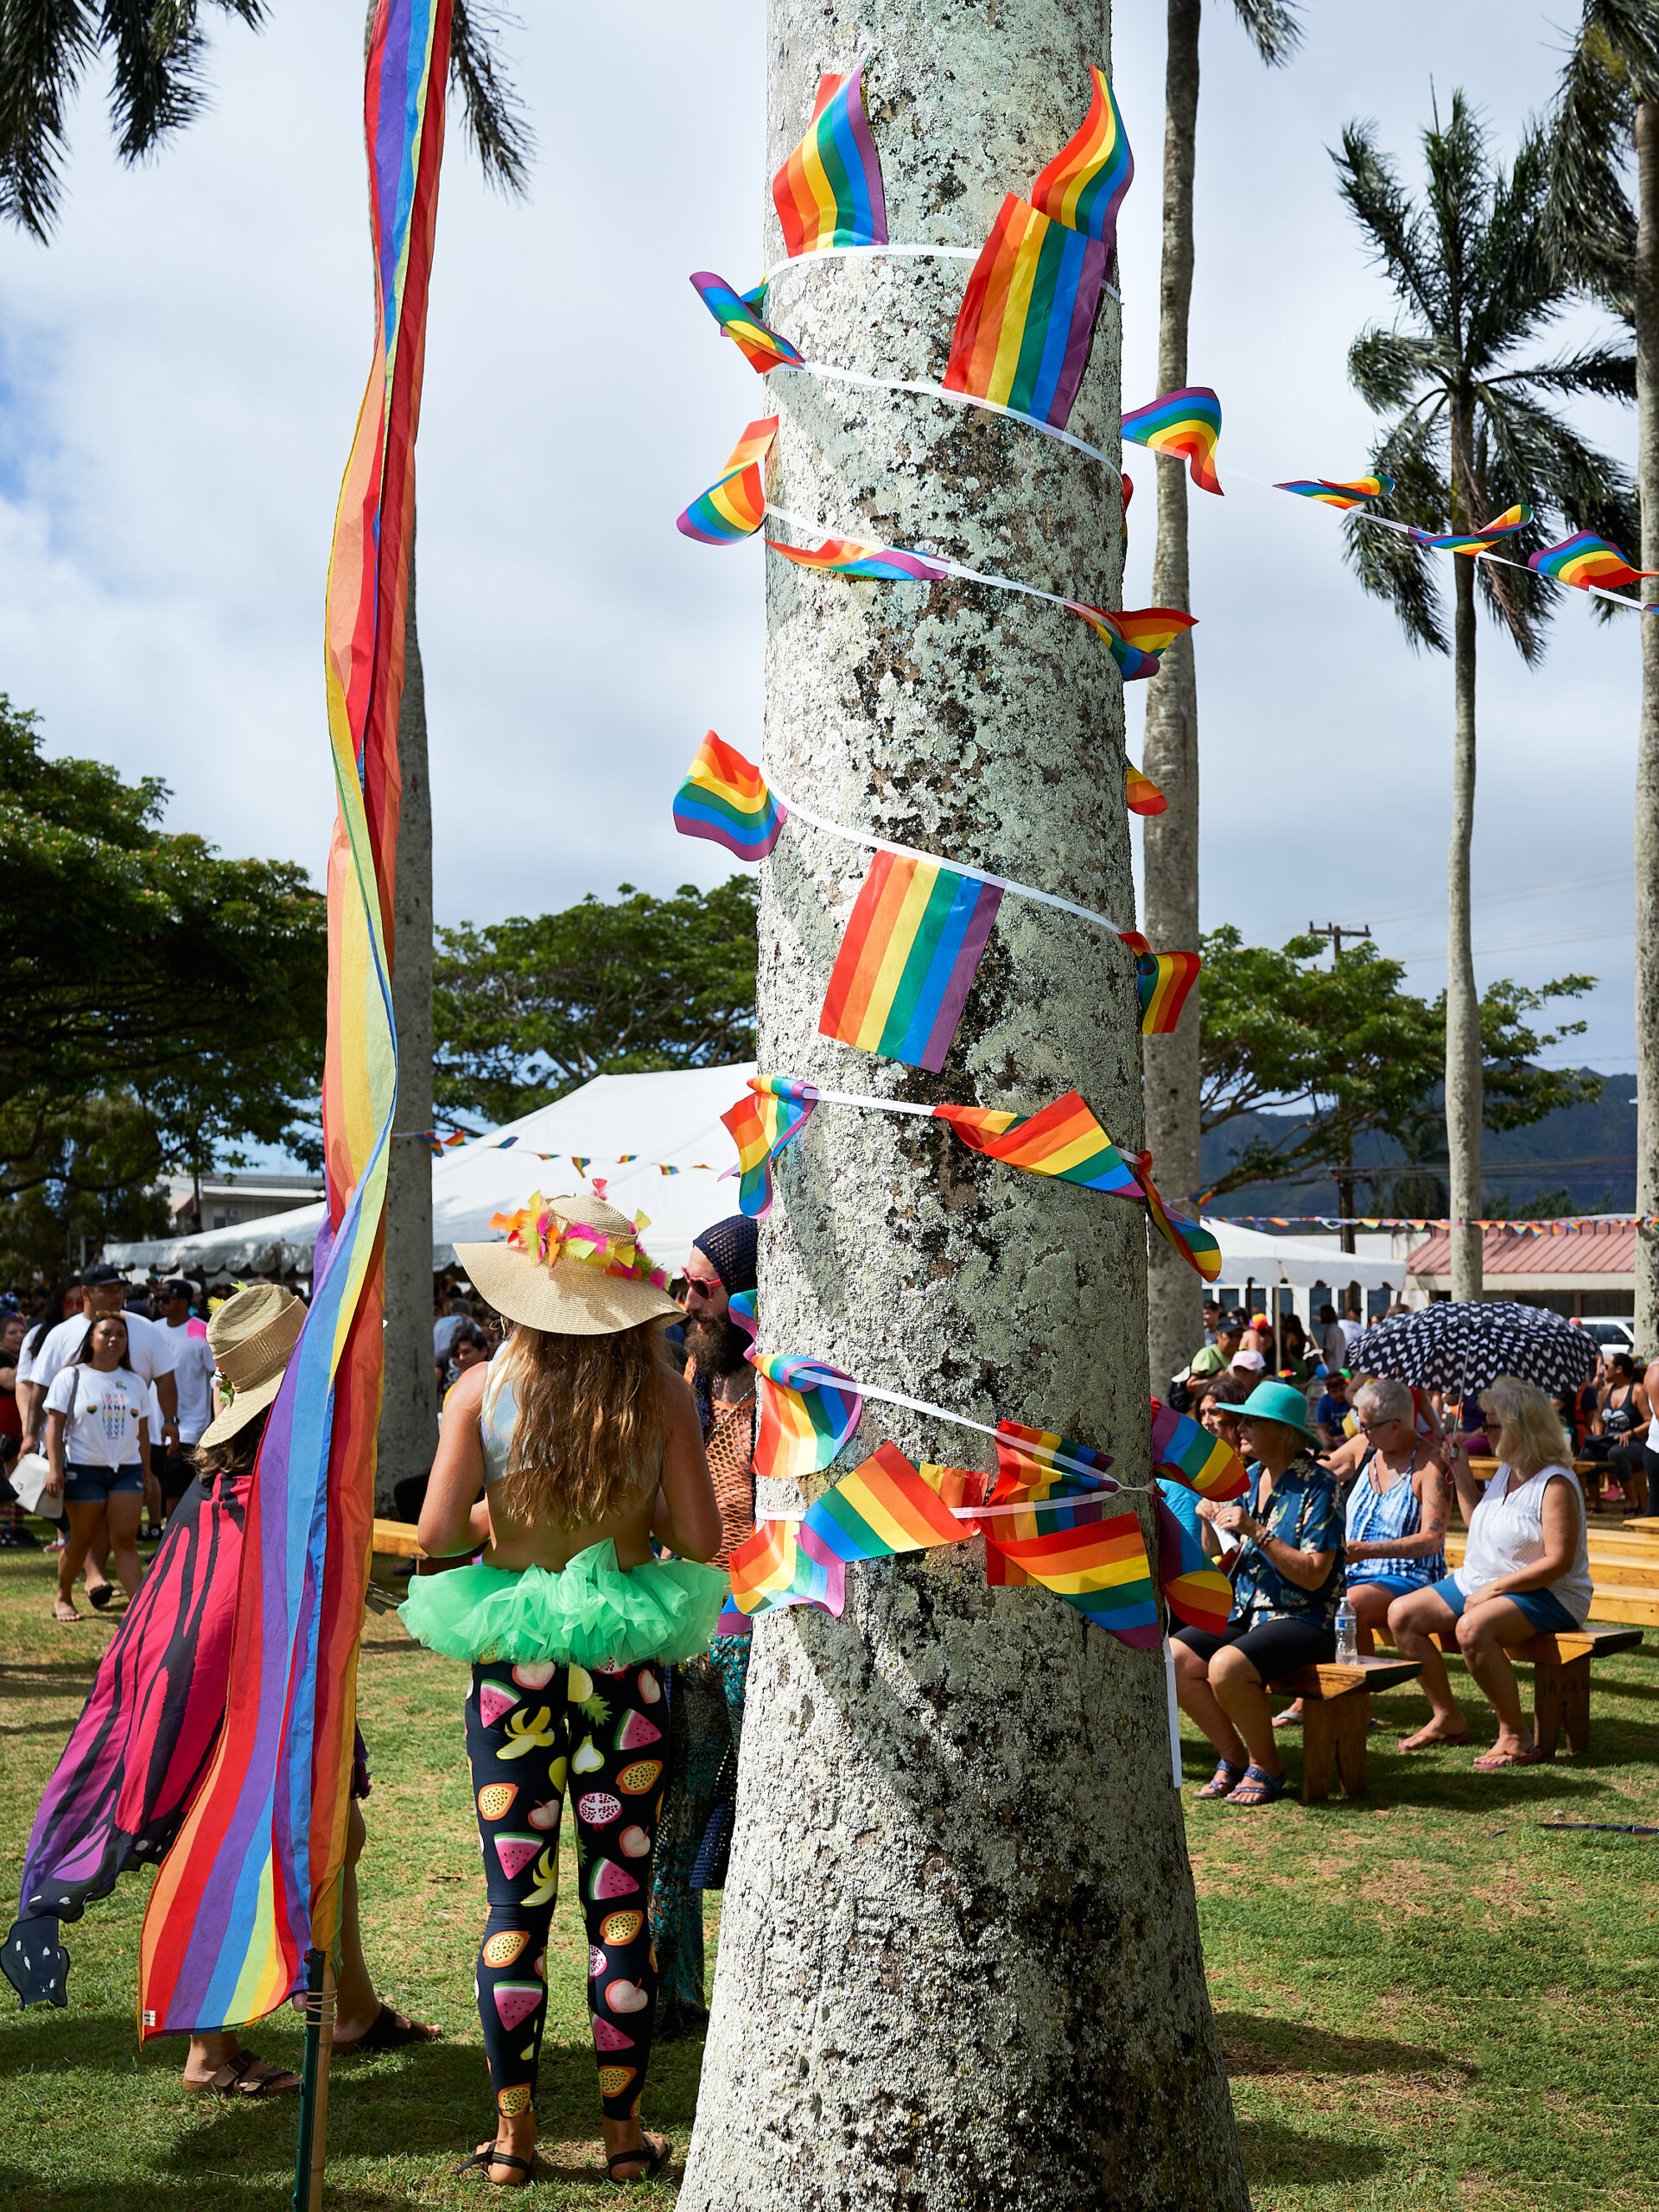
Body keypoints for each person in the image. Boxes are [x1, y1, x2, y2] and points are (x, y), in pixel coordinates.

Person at [3, 1282, 438, 2088]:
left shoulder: (262, 1465)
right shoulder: (271, 1473)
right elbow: (240, 1597)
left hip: (265, 1674)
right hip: (230, 1689)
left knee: (335, 1828)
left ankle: (351, 2010)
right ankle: (212, 2053)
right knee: (233, 1834)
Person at [404, 1194, 725, 2189]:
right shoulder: (664, 1393)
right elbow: (705, 1541)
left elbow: (433, 1538)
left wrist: (508, 1529)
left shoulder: (480, 1389)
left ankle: (513, 2139)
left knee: (516, 1901)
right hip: (626, 1667)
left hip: (516, 1666)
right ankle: (626, 2137)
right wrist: (627, 1531)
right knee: (617, 1897)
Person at [652, 1215, 760, 2037]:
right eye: (681, 1286)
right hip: (688, 1626)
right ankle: (669, 1991)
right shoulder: (689, 1372)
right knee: (673, 1814)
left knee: (761, 1816)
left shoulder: (780, 1390)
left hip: (763, 1634)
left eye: (703, 1289)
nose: (687, 1302)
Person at [1387, 1376, 1594, 1766]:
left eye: (1492, 1424)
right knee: (1402, 1614)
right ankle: (1447, 1716)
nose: (1483, 1431)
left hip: (1550, 1593)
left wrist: (1495, 1590)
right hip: (1485, 1579)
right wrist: (1459, 1470)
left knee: (1472, 1628)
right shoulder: (1507, 1468)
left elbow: (1559, 1562)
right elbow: (1478, 1518)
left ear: (1519, 1428)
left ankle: (1515, 1734)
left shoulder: (1555, 1483)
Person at [1171, 1379, 1344, 1806]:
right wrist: (1210, 1520)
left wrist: (1254, 1530)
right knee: (1172, 1656)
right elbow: (1217, 1550)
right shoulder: (1249, 1478)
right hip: (1249, 1613)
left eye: (1251, 1421)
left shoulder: (1319, 1486)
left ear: (1284, 1432)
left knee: (1227, 1666)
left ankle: (1267, 1764)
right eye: (1241, 1419)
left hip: (1304, 1617)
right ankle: (1232, 1758)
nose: (1239, 1427)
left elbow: (1314, 1576)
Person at [41, 1315, 152, 1619]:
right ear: (91, 1339)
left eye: (121, 1334)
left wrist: (147, 1472)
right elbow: (54, 1425)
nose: (114, 1339)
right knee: (82, 1539)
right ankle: (63, 1596)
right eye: (106, 1333)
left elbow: (142, 1433)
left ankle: (143, 1612)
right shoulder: (71, 1377)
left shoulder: (135, 1381)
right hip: (83, 1471)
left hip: (127, 1471)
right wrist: (54, 1468)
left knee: (125, 1540)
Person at [154, 1279, 217, 1520]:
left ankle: (173, 1541)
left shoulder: (203, 1332)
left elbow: (217, 1378)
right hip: (154, 1424)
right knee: (159, 1484)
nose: (160, 1303)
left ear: (183, 1302)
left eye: (166, 1299)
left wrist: (214, 1418)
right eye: (158, 1298)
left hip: (190, 1426)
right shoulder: (154, 1330)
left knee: (176, 1489)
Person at [1586, 1352, 1649, 1510]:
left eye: (1606, 1366)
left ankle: (1632, 1501)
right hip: (1610, 1441)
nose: (1602, 1370)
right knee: (1587, 1453)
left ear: (1619, 1369)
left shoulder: (1637, 1390)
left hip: (1635, 1442)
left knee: (1617, 1453)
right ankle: (1595, 1502)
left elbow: (1650, 1421)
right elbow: (1599, 1419)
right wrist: (1598, 1438)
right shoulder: (1607, 1390)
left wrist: (1630, 1433)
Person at [1314, 1368, 1352, 1452]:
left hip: (1353, 1439)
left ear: (1347, 1387)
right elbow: (1321, 1427)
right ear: (1328, 1392)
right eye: (1334, 1392)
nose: (1339, 1394)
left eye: (1342, 1389)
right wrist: (1325, 1441)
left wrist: (1343, 1438)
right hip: (1334, 1441)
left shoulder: (1353, 1398)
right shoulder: (1325, 1401)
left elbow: (1361, 1427)